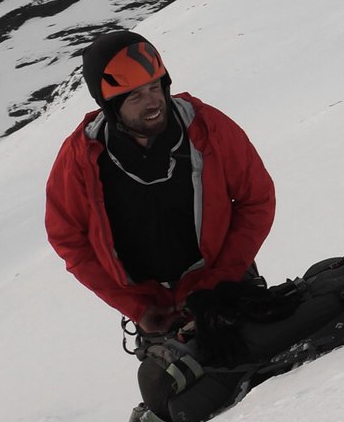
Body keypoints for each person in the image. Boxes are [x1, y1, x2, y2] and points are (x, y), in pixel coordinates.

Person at [43, 30, 275, 338]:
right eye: (135, 96)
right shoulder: (81, 159)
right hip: (157, 313)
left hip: (226, 286)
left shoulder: (206, 127)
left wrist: (221, 279)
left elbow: (256, 199)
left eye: (155, 87)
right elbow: (68, 239)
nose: (152, 103)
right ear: (110, 106)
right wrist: (136, 308)